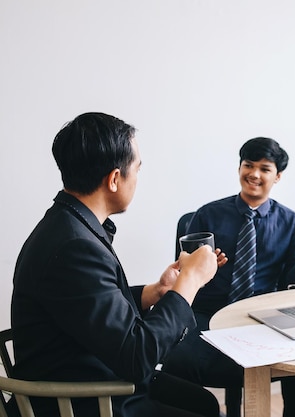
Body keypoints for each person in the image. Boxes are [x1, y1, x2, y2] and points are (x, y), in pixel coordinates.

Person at [10, 112, 221, 417]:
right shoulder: (74, 247)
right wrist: (189, 281)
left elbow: (87, 308)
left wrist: (153, 292)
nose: (137, 177)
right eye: (137, 168)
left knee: (204, 404)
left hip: (92, 378)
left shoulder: (70, 225)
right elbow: (137, 357)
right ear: (113, 179)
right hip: (83, 401)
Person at [161, 137, 295, 417]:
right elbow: (183, 271)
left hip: (263, 315)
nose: (255, 174)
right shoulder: (207, 215)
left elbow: (293, 281)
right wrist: (203, 270)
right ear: (239, 168)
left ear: (278, 176)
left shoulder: (290, 221)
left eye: (265, 168)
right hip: (207, 312)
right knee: (178, 359)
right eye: (248, 165)